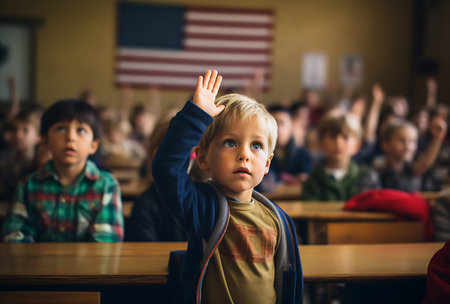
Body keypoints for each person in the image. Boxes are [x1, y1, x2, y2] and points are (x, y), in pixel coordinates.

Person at [152, 70, 302, 303]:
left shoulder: (278, 220)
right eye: (230, 142)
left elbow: (287, 283)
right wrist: (195, 117)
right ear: (202, 158)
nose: (244, 154)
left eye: (256, 145)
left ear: (267, 164)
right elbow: (166, 168)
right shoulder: (200, 207)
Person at [1, 99, 124, 242]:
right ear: (45, 141)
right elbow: (14, 237)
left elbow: (107, 241)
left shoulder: (106, 185)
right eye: (60, 129)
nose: (70, 137)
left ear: (94, 146)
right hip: (38, 264)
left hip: (90, 264)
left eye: (81, 130)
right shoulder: (28, 185)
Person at [125, 114, 188, 242]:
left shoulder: (202, 200)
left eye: (189, 149)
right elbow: (144, 255)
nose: (185, 157)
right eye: (176, 149)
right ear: (156, 154)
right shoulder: (145, 205)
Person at [301, 112, 380, 201]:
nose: (338, 143)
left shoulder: (366, 177)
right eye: (332, 136)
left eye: (345, 137)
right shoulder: (313, 180)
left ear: (357, 146)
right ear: (321, 144)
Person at [377, 116, 447, 192]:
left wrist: (437, 137)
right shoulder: (377, 169)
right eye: (402, 140)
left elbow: (425, 163)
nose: (408, 146)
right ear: (385, 144)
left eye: (412, 142)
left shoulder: (411, 169)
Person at [258, 105, 312, 193]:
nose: (278, 129)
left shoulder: (302, 154)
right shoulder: (259, 154)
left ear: (291, 126)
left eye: (282, 123)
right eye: (274, 124)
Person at [0, 108, 42, 201]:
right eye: (15, 130)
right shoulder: (4, 163)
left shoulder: (39, 166)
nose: (18, 135)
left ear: (38, 137)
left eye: (25, 130)